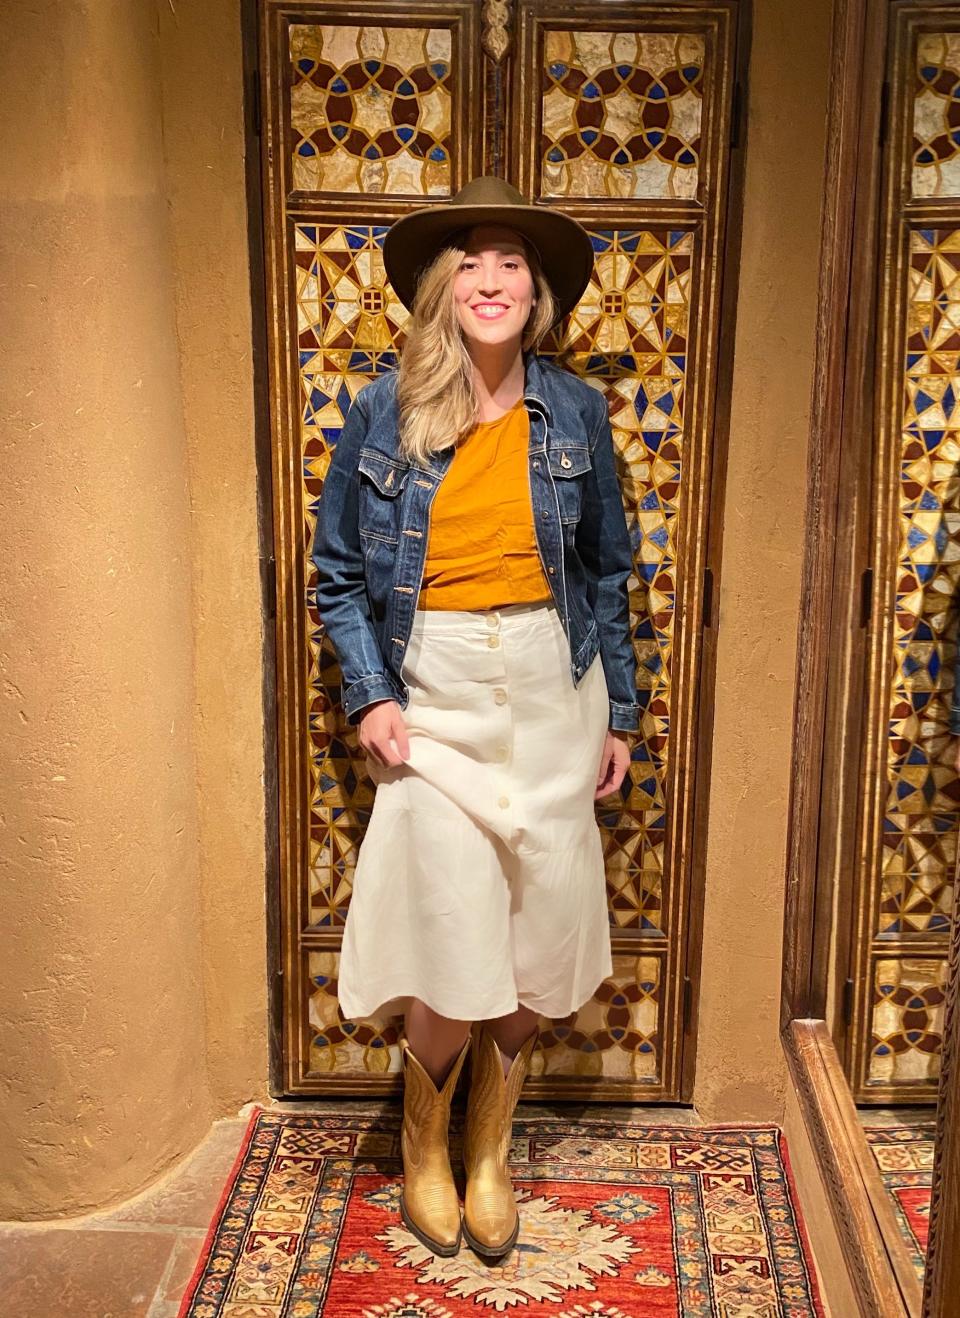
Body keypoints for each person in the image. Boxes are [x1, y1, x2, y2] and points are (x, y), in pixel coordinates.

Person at [311, 175, 641, 1260]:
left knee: (533, 926)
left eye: (510, 263)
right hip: (438, 689)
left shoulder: (576, 408)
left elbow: (605, 576)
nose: (490, 280)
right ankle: (423, 1151)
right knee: (451, 919)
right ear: (443, 289)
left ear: (536, 292)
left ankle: (490, 1154)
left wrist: (618, 715)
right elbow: (338, 573)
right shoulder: (388, 405)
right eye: (471, 264)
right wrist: (370, 693)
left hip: (554, 687)